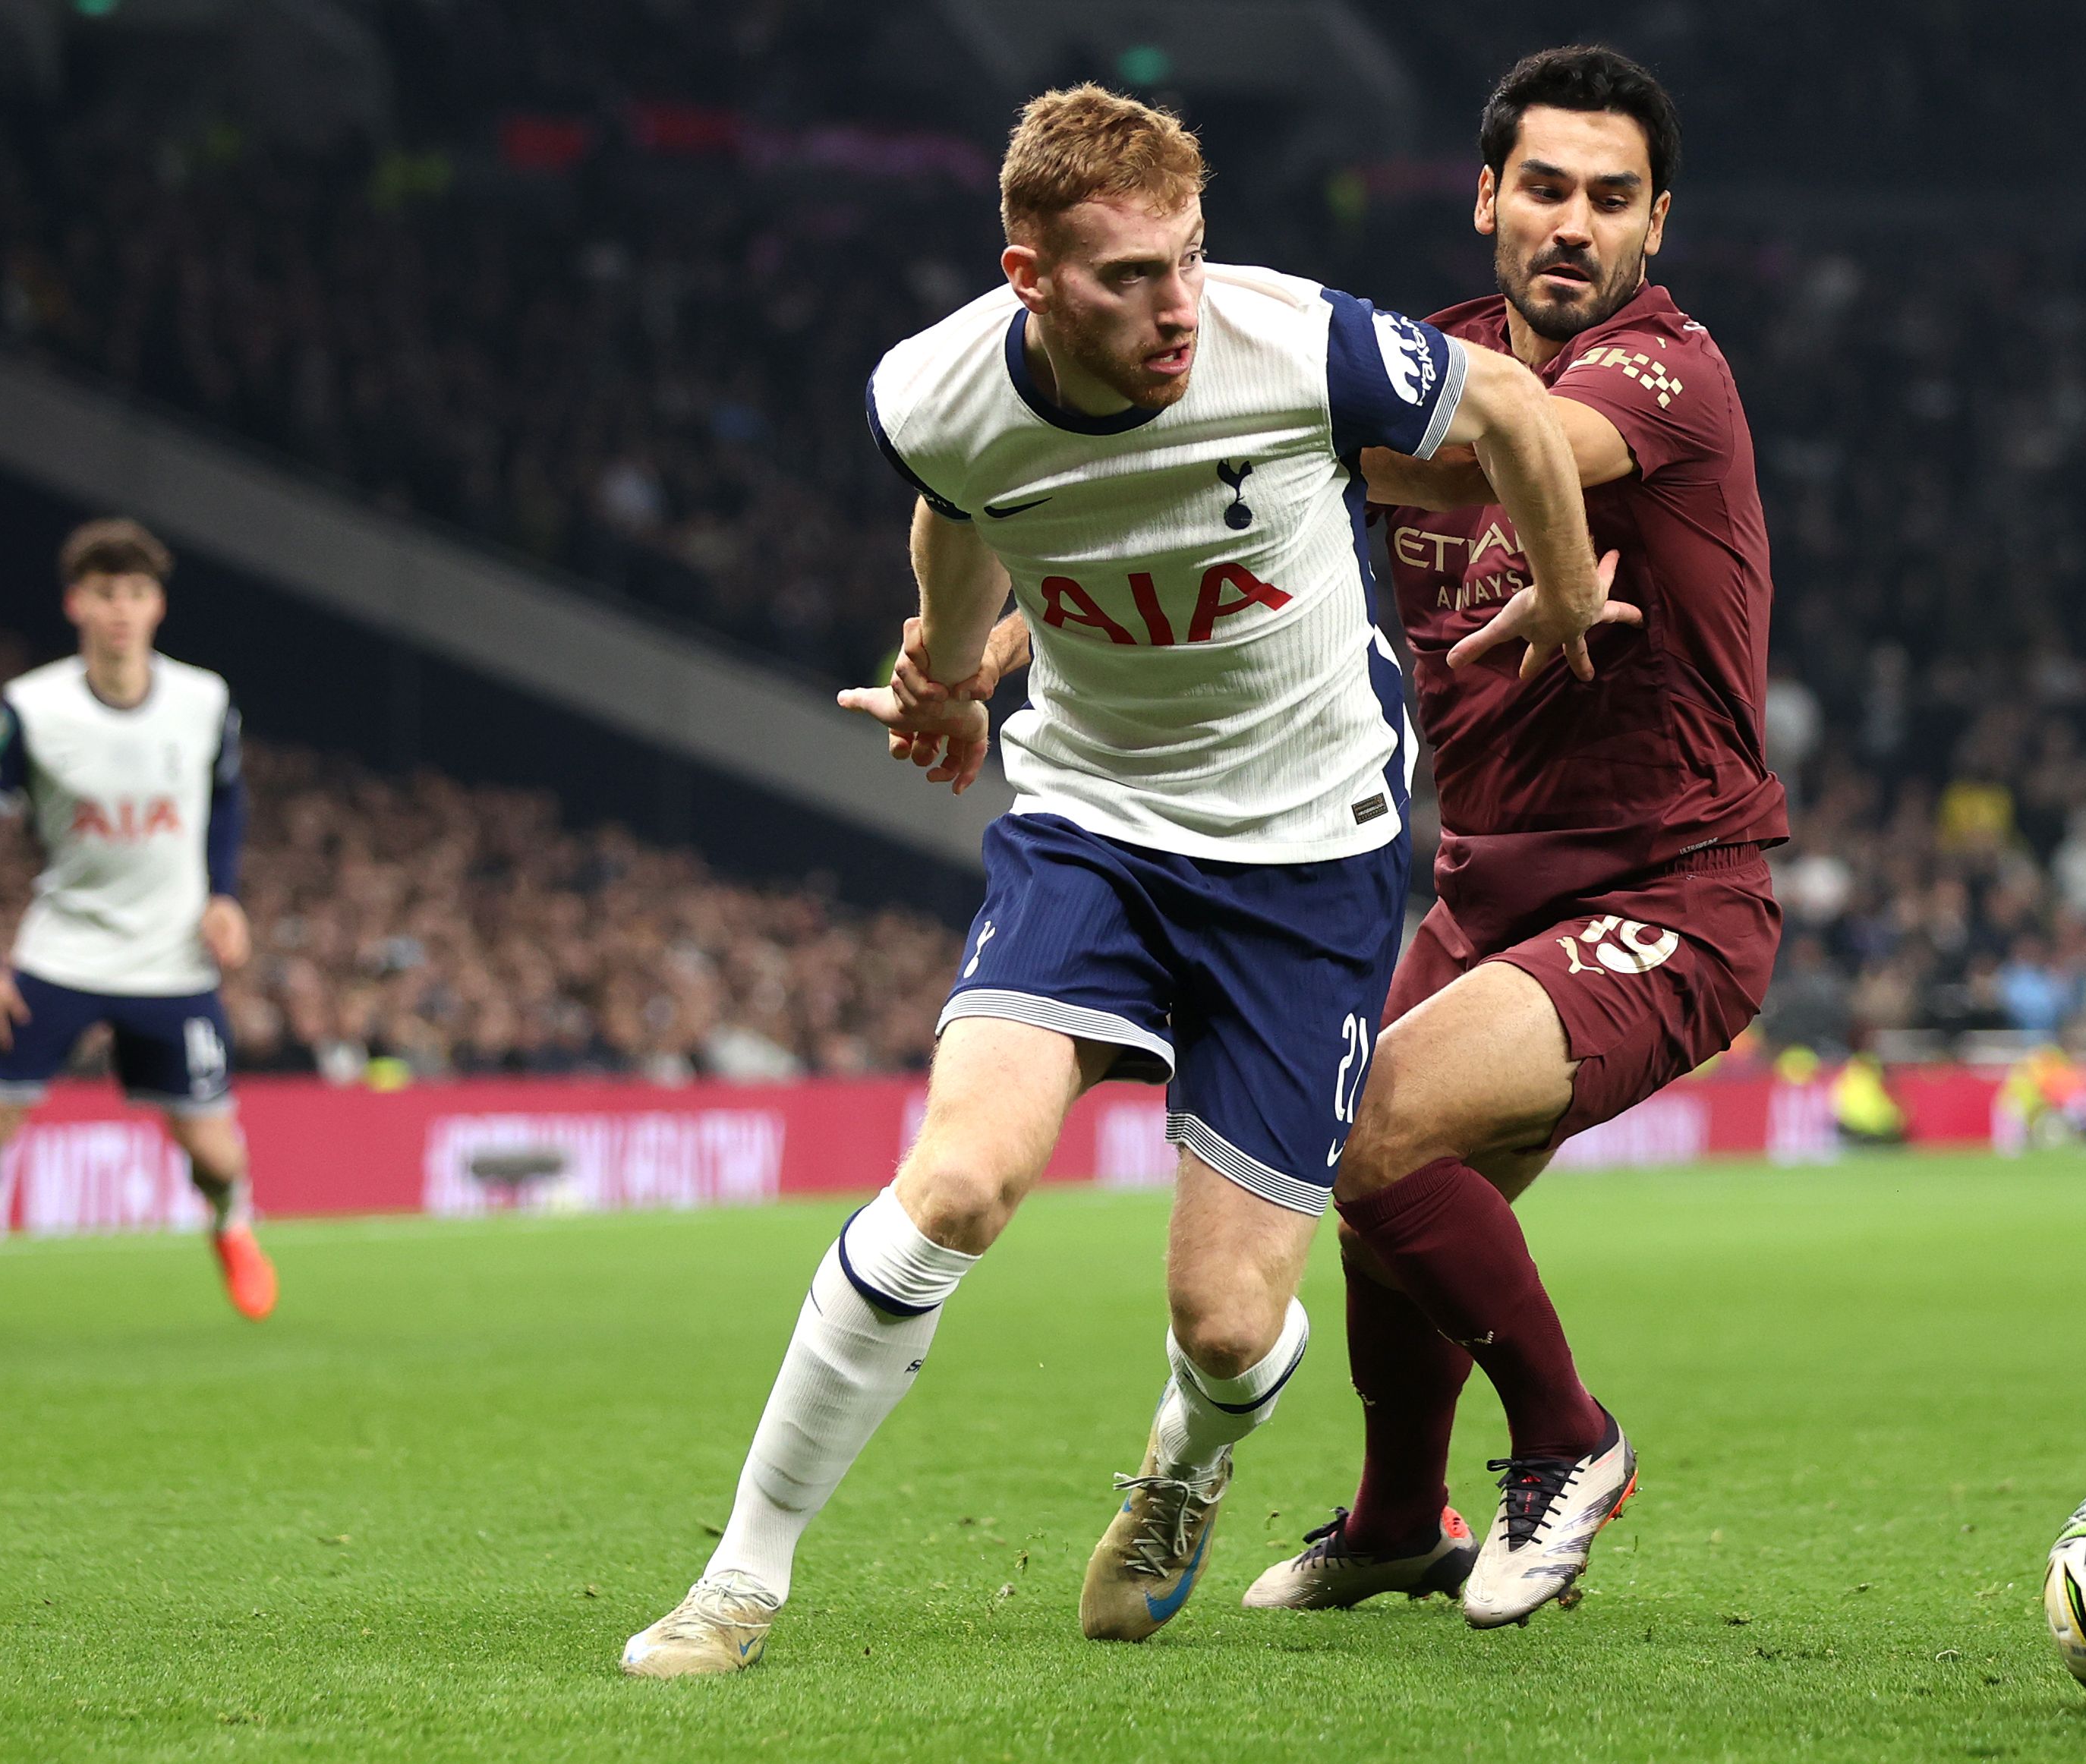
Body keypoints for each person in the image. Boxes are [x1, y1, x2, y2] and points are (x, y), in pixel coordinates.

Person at [618, 85, 1615, 1675]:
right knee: (954, 1181)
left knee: (1228, 1326)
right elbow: (959, 518)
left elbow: (1499, 404)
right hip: (1089, 824)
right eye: (1127, 278)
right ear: (1029, 276)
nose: (1174, 309)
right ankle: (740, 1577)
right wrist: (946, 676)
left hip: (1307, 860)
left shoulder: (1293, 341)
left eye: (1189, 261)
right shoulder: (930, 391)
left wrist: (1561, 597)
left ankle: (1187, 1463)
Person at [1238, 46, 1786, 1627]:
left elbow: (1509, 450)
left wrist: (1287, 423)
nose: (1572, 223)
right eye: (1542, 187)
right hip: (1480, 893)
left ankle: (1569, 1438)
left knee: (1369, 1132)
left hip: (1670, 895)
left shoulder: (1669, 377)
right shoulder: (1437, 362)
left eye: (1610, 199)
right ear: (1485, 197)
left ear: (1653, 228)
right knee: (1382, 1194)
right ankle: (1399, 1520)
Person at [0, 518, 275, 1331]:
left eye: (135, 593)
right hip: (65, 947)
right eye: (104, 593)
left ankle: (232, 1221)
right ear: (77, 604)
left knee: (214, 1151)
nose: (121, 609)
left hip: (171, 958)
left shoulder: (204, 700)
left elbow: (229, 794)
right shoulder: (32, 707)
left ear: (158, 605)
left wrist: (223, 893)